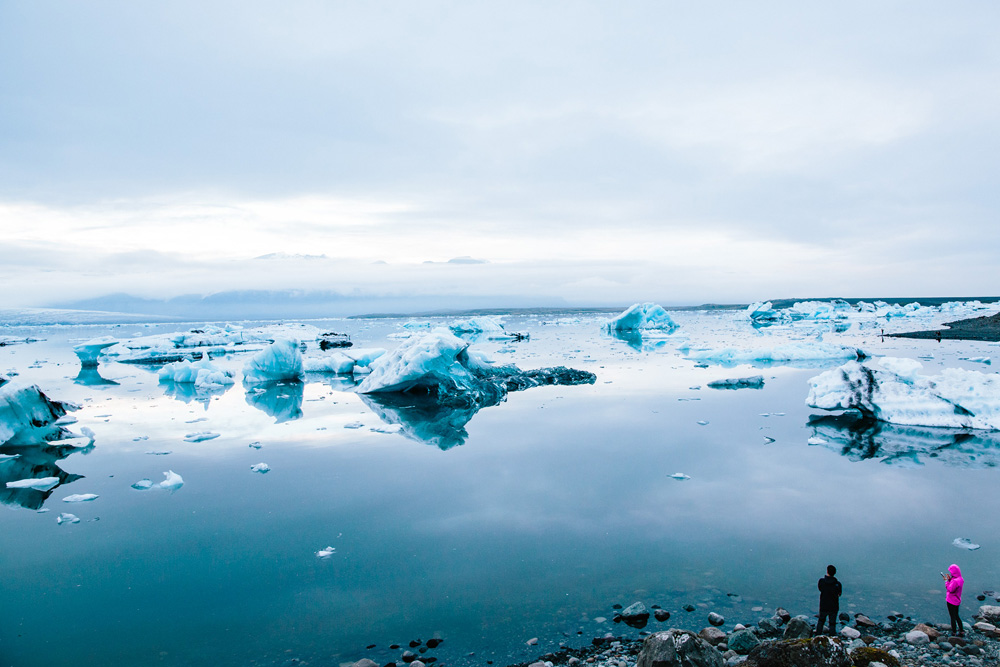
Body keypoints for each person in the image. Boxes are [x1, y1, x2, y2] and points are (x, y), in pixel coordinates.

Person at [816, 564, 842, 636]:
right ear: (835, 573)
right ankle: (832, 639)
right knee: (832, 623)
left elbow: (820, 589)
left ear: (827, 571)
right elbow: (839, 594)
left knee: (821, 621)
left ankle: (817, 637)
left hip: (824, 604)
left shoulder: (821, 581)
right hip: (834, 606)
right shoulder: (837, 584)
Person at [943, 564, 964, 636]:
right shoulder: (960, 579)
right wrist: (950, 579)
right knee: (957, 615)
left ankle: (954, 632)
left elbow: (950, 589)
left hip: (951, 601)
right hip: (957, 601)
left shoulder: (955, 581)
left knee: (952, 616)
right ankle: (961, 630)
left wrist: (946, 581)